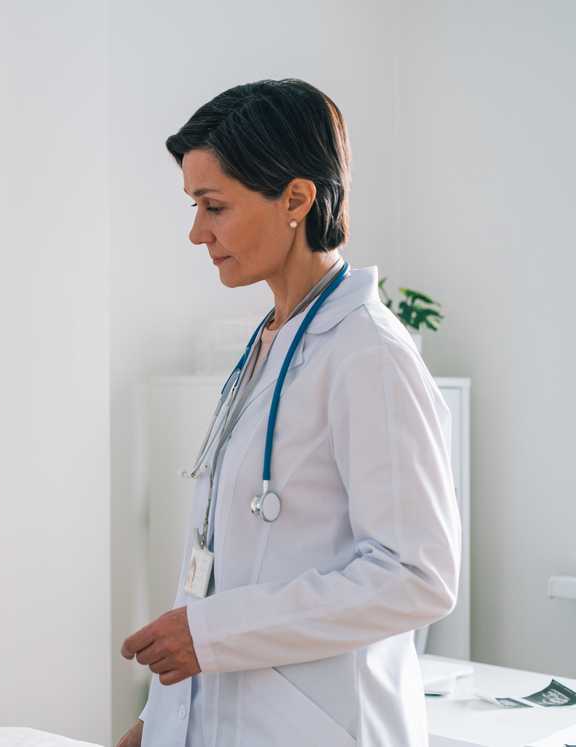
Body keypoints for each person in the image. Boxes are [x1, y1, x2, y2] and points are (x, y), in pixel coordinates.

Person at [117, 79, 461, 746]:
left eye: (213, 205)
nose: (196, 232)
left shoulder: (370, 353)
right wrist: (160, 721)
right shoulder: (272, 343)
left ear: (297, 199)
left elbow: (417, 576)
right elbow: (225, 567)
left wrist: (212, 635)